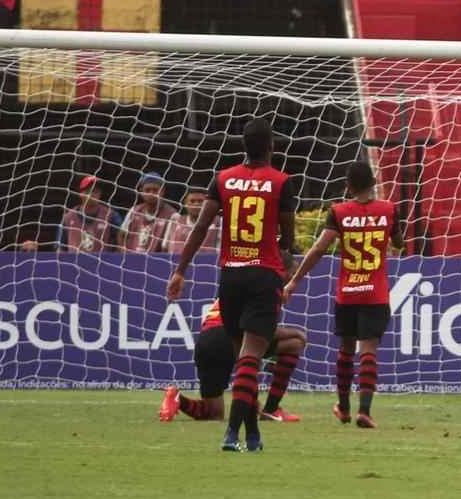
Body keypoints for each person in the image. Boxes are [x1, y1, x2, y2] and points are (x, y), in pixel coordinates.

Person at [166, 117, 297, 452]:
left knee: (243, 358)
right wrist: (285, 274)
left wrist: (180, 270)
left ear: (244, 147)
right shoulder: (281, 182)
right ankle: (231, 433)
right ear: (271, 148)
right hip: (263, 274)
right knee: (251, 356)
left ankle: (252, 436)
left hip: (230, 276)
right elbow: (288, 240)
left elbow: (200, 228)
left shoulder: (222, 180)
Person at [283, 162, 405, 429]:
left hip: (348, 293)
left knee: (346, 350)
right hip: (375, 293)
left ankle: (344, 407)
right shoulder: (388, 210)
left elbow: (317, 250)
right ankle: (365, 411)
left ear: (348, 186)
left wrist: (294, 281)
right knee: (369, 350)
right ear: (374, 183)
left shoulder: (339, 212)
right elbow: (399, 243)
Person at [159, 292, 307, 423]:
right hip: (229, 338)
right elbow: (260, 330)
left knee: (214, 413)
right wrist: (297, 333)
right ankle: (272, 409)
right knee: (294, 343)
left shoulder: (236, 284)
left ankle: (178, 398)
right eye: (292, 273)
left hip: (206, 341)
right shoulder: (266, 287)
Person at [43, 175, 121, 253]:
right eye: (89, 191)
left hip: (103, 263)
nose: (93, 194)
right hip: (74, 263)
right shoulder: (68, 217)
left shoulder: (111, 215)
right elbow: (60, 248)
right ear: (81, 193)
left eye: (96, 191)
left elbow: (121, 243)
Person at [121, 172, 177, 252]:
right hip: (131, 259)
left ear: (163, 191)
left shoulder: (172, 215)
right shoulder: (134, 210)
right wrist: (123, 252)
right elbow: (122, 234)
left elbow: (169, 247)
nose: (151, 193)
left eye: (155, 190)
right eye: (147, 190)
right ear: (141, 191)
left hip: (157, 261)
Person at [164, 188, 221, 253]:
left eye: (200, 201)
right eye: (192, 201)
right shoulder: (175, 221)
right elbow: (165, 248)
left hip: (207, 261)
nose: (196, 204)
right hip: (175, 261)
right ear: (185, 204)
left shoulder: (218, 222)